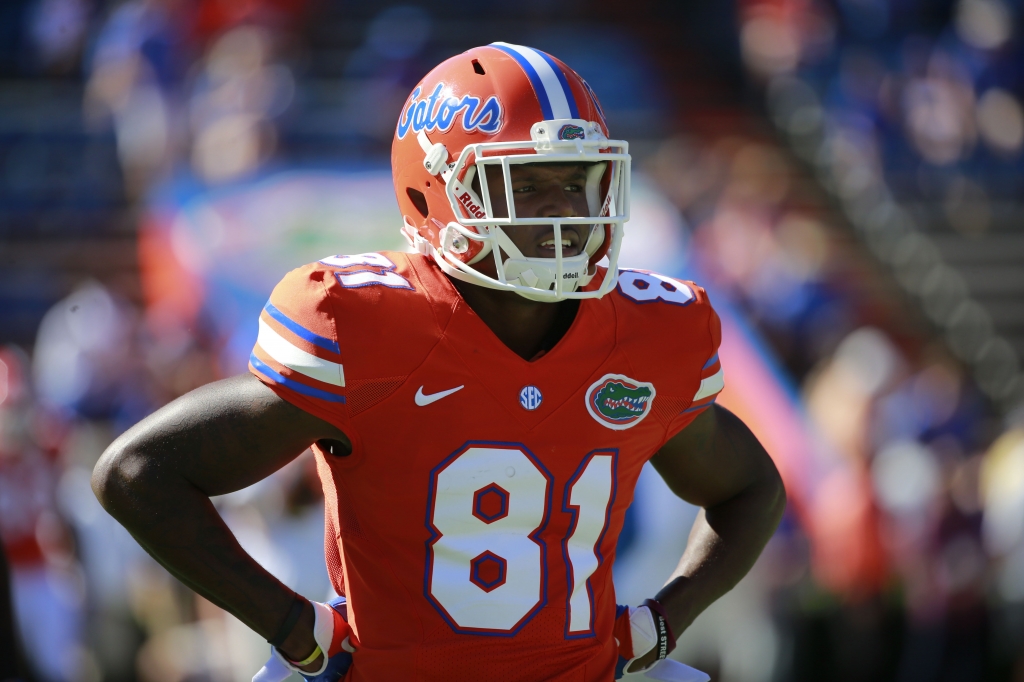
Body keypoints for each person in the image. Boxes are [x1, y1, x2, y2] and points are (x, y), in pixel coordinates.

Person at [92, 43, 785, 681]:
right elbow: (137, 472)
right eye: (529, 187)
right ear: (438, 192)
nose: (564, 214)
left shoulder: (645, 333)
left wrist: (665, 624)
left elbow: (751, 489)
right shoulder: (366, 325)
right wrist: (293, 628)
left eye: (578, 184)